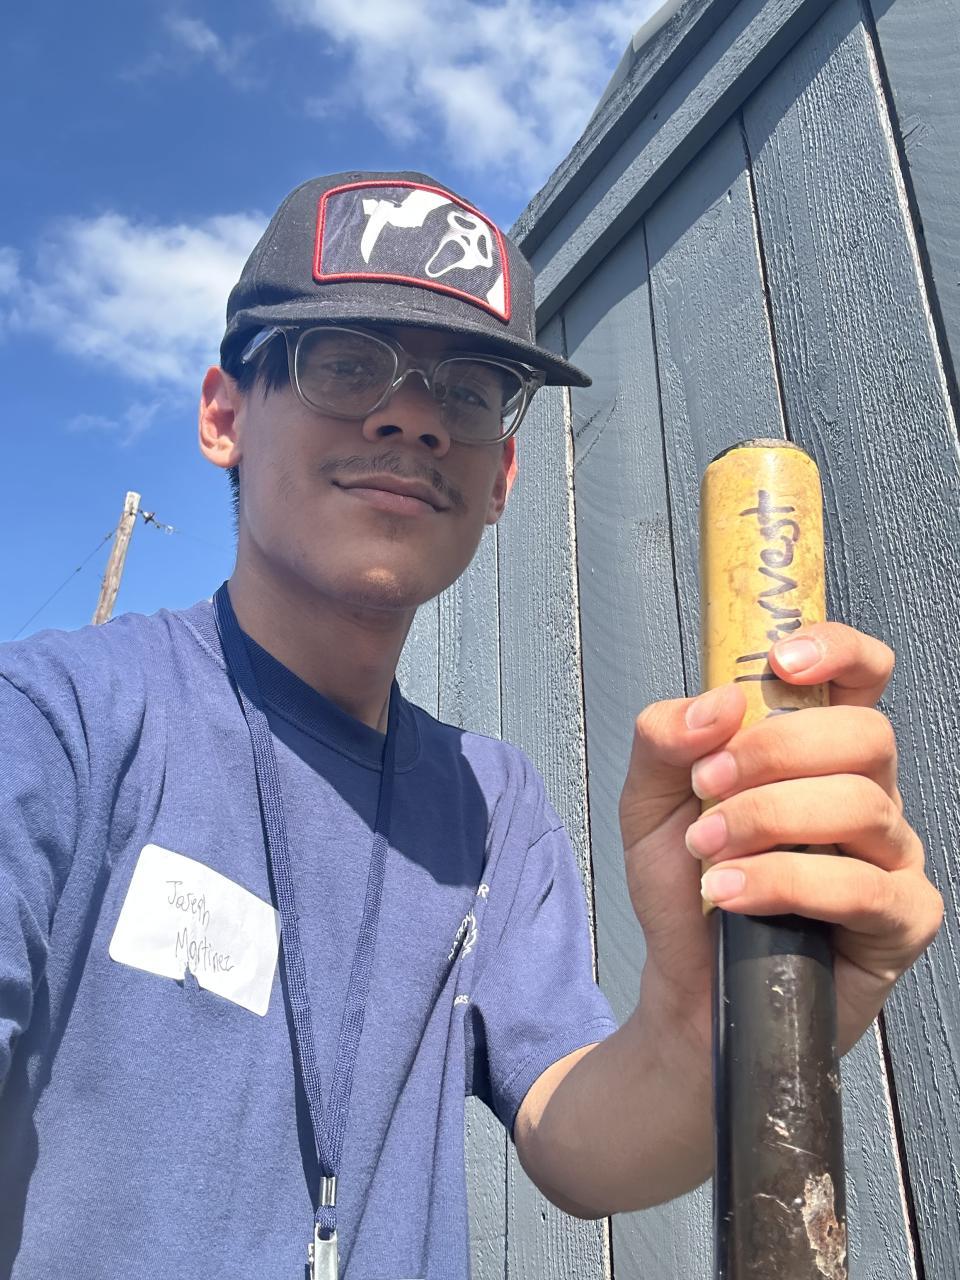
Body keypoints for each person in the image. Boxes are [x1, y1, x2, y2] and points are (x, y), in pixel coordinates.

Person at [0, 171, 942, 1280]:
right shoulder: (52, 722)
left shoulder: (493, 804)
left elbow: (579, 1146)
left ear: (501, 476)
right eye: (343, 362)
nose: (411, 416)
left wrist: (707, 1026)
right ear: (224, 416)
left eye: (470, 388)